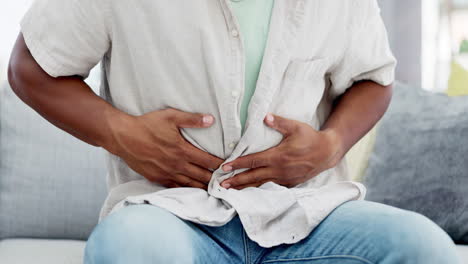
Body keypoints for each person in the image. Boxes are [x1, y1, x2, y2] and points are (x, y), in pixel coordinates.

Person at [8, 0, 460, 263]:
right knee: (128, 249)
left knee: (423, 248)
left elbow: (373, 79)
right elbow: (30, 66)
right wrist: (119, 131)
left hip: (302, 212)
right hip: (168, 213)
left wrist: (331, 145)